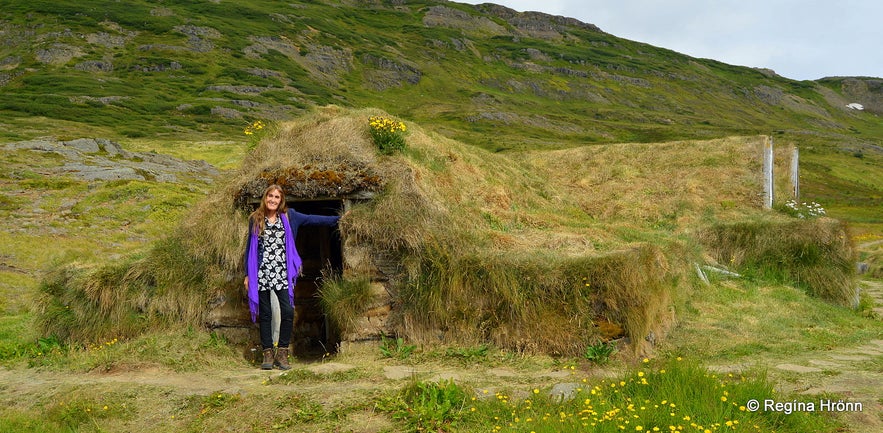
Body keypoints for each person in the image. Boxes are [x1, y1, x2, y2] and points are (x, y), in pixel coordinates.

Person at [243, 184, 342, 370]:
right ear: (265, 198)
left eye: (277, 197)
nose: (273, 200)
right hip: (262, 272)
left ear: (281, 200)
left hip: (282, 272)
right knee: (265, 314)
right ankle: (267, 354)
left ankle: (282, 352)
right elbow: (249, 248)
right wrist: (247, 274)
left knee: (287, 311)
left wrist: (339, 219)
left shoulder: (290, 217)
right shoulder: (256, 219)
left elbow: (313, 219)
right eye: (270, 196)